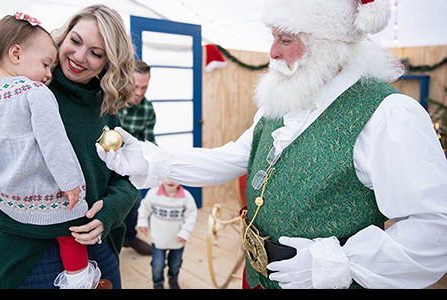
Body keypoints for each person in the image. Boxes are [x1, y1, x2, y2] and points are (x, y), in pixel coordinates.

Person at [97, 0, 447, 289]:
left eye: (285, 39)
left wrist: (337, 263)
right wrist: (151, 161)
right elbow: (236, 156)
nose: (272, 52)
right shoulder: (285, 99)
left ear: (328, 44)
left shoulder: (388, 113)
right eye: (273, 36)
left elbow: (435, 229)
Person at [0, 4, 138, 289]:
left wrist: (109, 211)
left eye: (96, 53)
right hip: (23, 258)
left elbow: (126, 175)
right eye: (75, 41)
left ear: (109, 62)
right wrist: (35, 217)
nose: (80, 56)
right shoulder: (18, 92)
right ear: (64, 37)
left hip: (92, 248)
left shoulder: (105, 109)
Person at [117, 60, 156, 255]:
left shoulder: (147, 110)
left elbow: (150, 143)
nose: (140, 92)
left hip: (129, 167)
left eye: (145, 87)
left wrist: (159, 166)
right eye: (135, 87)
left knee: (136, 202)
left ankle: (129, 239)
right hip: (102, 163)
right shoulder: (110, 101)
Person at [137, 180, 197, 289]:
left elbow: (191, 215)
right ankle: (158, 283)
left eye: (175, 177)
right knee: (157, 264)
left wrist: (185, 232)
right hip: (158, 238)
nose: (171, 181)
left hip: (178, 240)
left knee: (175, 263)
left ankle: (173, 278)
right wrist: (142, 223)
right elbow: (144, 208)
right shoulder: (153, 193)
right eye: (168, 177)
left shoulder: (186, 197)